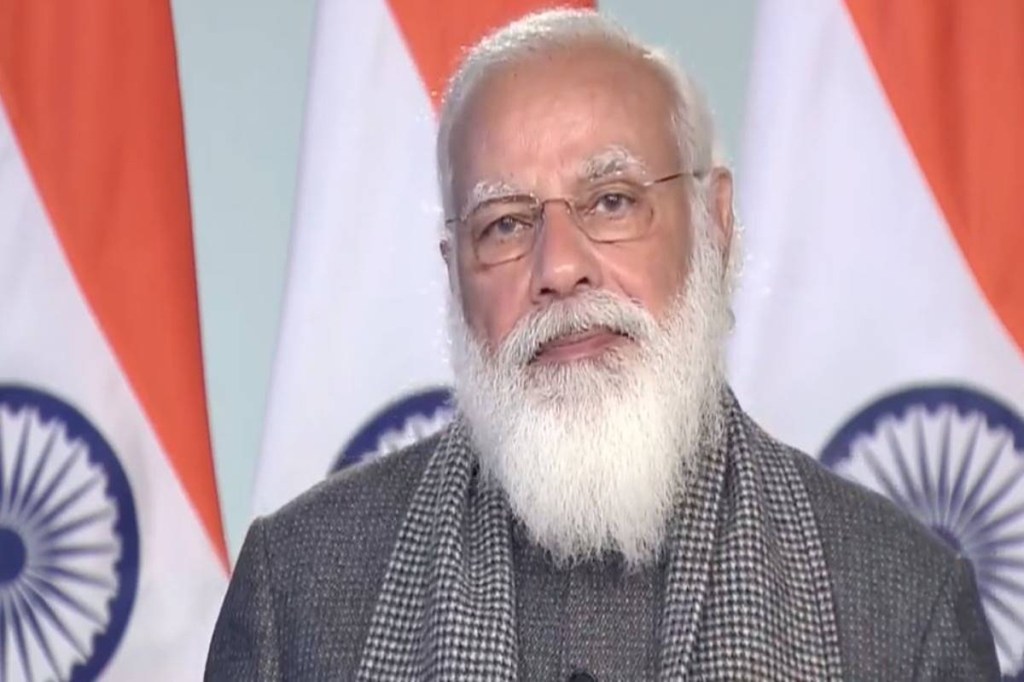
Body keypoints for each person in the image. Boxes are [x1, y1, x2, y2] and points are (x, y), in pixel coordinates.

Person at [206, 9, 999, 680]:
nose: (558, 268)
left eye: (612, 201)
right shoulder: (300, 590)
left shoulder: (904, 608)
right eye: (505, 224)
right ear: (455, 274)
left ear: (716, 226)